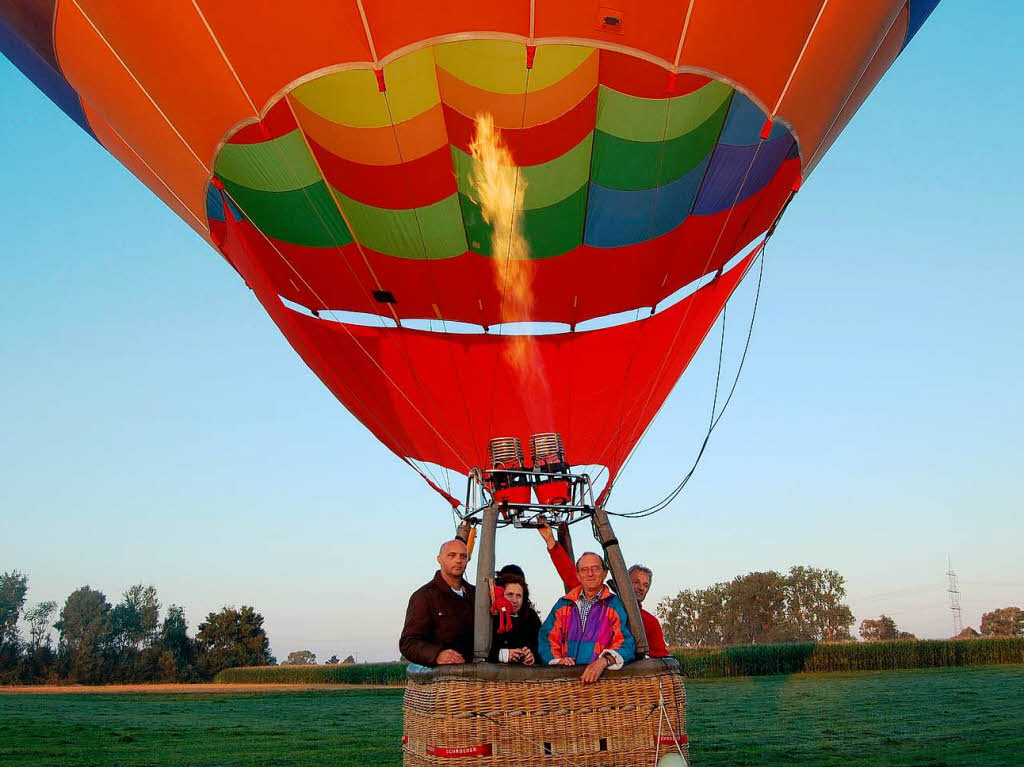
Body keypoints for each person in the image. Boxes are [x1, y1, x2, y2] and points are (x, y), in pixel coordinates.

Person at [538, 522, 669, 658]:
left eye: (645, 585)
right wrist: (551, 542)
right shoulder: (589, 602)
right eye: (636, 582)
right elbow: (569, 573)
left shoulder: (648, 621)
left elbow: (660, 659)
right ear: (624, 582)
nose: (641, 588)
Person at [538, 552, 635, 683]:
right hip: (565, 682)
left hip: (602, 684)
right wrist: (557, 661)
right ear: (578, 575)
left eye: (595, 568)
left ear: (605, 573)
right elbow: (547, 638)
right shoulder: (563, 604)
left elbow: (626, 644)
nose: (590, 574)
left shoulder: (615, 605)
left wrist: (603, 661)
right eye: (584, 570)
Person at [399, 539, 475, 666]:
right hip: (443, 679)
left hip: (478, 677)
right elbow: (408, 643)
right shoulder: (424, 596)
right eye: (452, 555)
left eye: (463, 556)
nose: (458, 560)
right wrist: (436, 655)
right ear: (439, 559)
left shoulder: (477, 595)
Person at [488, 568, 541, 665]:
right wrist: (503, 655)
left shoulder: (531, 618)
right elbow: (476, 649)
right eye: (510, 595)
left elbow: (540, 647)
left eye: (519, 596)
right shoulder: (489, 616)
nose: (515, 600)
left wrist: (531, 656)